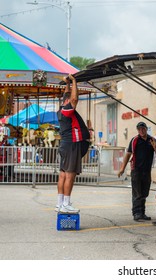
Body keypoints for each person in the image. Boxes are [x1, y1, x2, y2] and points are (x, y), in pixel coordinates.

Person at [56, 74, 90, 213]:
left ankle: (60, 203)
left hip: (67, 145)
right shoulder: (67, 111)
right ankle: (66, 204)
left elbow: (68, 95)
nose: (72, 102)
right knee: (70, 174)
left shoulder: (61, 110)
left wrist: (67, 83)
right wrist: (75, 81)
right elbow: (74, 98)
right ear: (67, 102)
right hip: (72, 145)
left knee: (63, 174)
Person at [118, 122, 156, 221]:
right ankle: (136, 213)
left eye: (143, 129)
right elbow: (128, 154)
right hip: (136, 170)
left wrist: (154, 146)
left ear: (146, 129)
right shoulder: (134, 140)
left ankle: (142, 213)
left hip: (147, 171)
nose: (141, 131)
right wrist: (122, 168)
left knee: (144, 193)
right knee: (137, 193)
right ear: (137, 130)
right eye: (139, 129)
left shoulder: (152, 140)